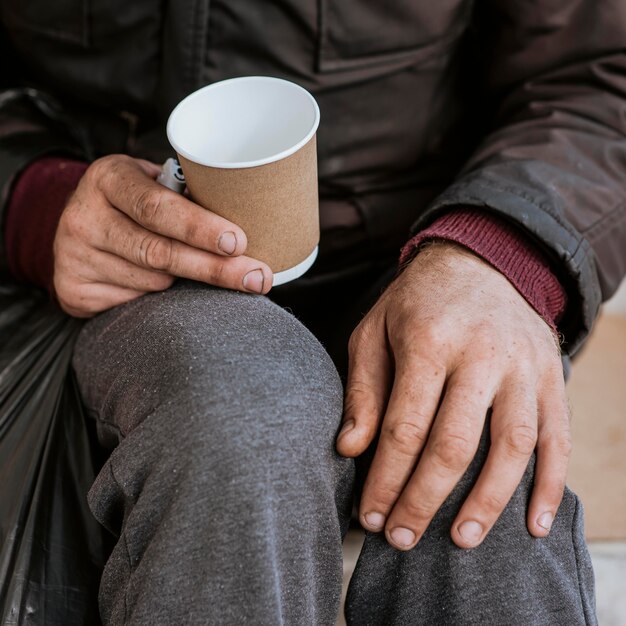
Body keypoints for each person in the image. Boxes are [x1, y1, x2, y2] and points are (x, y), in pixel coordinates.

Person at [1, 0, 624, 623]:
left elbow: (598, 72)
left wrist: (500, 250)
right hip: (126, 262)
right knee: (242, 415)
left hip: (423, 250)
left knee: (478, 449)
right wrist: (34, 202)